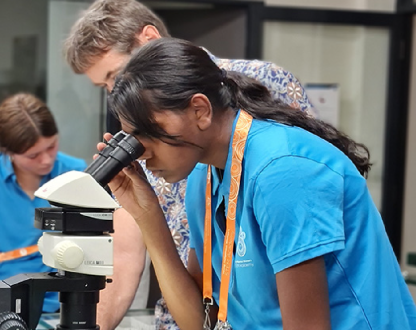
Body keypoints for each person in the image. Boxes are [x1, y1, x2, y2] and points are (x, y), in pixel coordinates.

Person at [105, 38, 416, 330]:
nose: (142, 153)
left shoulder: (282, 171)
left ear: (199, 111)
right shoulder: (205, 176)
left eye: (147, 132)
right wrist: (148, 218)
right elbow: (198, 321)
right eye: (133, 139)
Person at [63, 1, 315, 328]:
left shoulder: (265, 93)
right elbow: (125, 252)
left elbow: (307, 209)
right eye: (105, 88)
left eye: (115, 76)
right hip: (191, 312)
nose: (114, 93)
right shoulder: (194, 175)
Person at [0, 93, 87, 313]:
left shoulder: (75, 174)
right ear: (8, 152)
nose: (46, 160)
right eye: (33, 155)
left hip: (65, 304)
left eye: (51, 146)